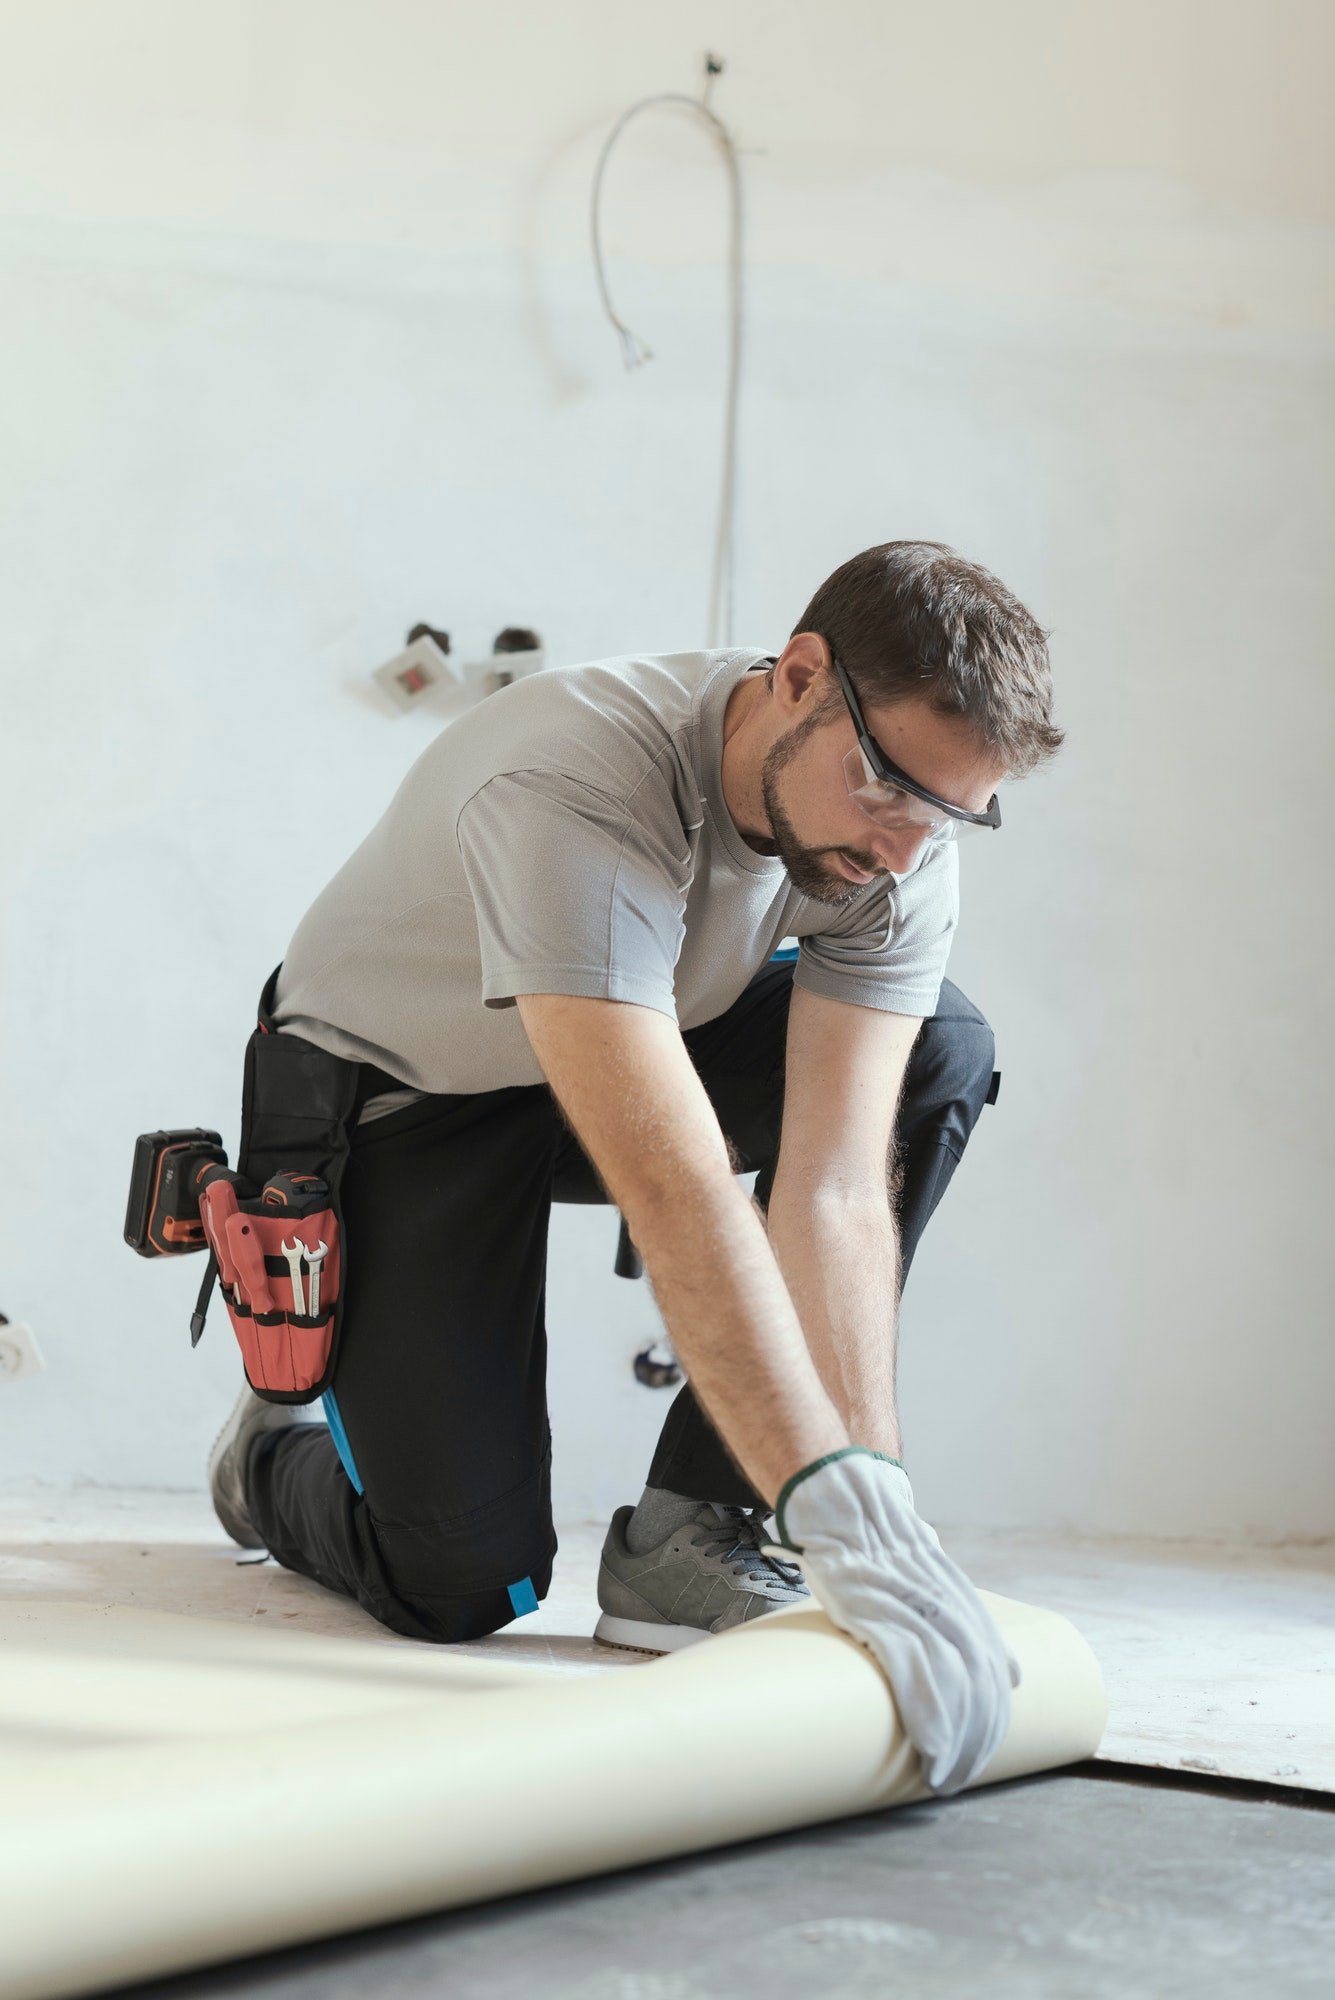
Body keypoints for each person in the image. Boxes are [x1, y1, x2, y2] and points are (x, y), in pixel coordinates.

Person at [208, 539, 1062, 1794]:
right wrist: (836, 1502)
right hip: (406, 1089)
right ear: (801, 676)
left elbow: (833, 1186)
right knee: (459, 1580)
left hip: (631, 1031)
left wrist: (869, 1507)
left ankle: (694, 1525)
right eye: (885, 788)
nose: (902, 850)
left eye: (948, 811)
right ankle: (267, 1459)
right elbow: (677, 1188)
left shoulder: (901, 843)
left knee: (940, 1047)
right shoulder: (577, 781)